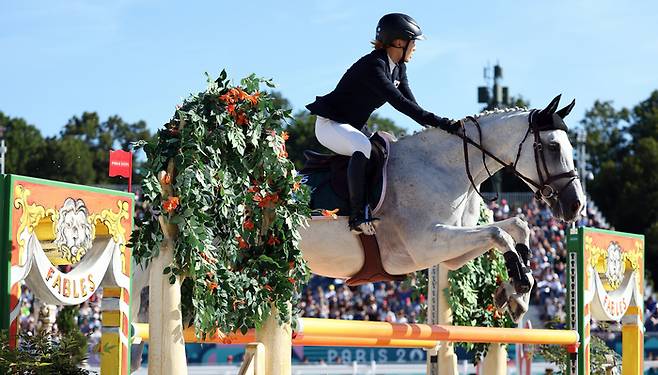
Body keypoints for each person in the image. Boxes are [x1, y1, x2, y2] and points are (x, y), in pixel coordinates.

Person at [306, 13, 462, 235]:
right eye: (413, 42)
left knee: (388, 146)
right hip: (331, 125)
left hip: (354, 126)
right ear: (399, 42)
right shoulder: (374, 65)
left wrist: (436, 129)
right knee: (362, 147)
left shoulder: (398, 68)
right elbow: (400, 104)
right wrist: (444, 124)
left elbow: (412, 104)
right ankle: (357, 216)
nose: (415, 47)